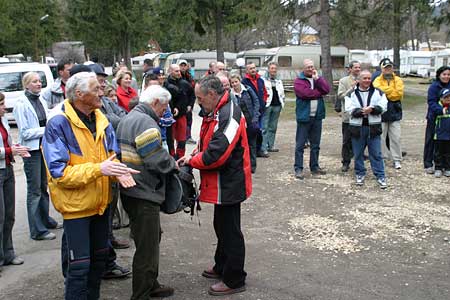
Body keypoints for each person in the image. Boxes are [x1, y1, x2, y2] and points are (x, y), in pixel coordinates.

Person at [42, 71, 138, 300]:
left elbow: (111, 156)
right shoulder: (58, 123)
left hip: (101, 206)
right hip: (77, 209)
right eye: (95, 89)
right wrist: (100, 170)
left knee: (98, 264)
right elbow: (59, 173)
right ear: (79, 94)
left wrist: (119, 171)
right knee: (79, 268)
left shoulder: (101, 119)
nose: (101, 92)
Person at [177, 76, 251, 296]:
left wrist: (192, 160)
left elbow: (215, 155)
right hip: (223, 182)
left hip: (229, 183)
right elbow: (206, 141)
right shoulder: (215, 112)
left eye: (200, 98)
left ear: (212, 94)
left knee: (230, 231)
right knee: (221, 226)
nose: (198, 102)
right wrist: (193, 154)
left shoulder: (229, 115)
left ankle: (235, 278)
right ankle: (222, 266)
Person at [116, 85, 177, 299]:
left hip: (132, 189)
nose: (165, 112)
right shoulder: (146, 121)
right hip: (144, 191)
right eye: (164, 107)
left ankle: (151, 283)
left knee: (151, 238)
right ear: (155, 102)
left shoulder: (130, 117)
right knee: (147, 247)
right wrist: (174, 164)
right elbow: (155, 157)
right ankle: (141, 293)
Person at [13, 72, 59, 240]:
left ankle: (45, 220)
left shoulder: (41, 100)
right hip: (30, 150)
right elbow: (25, 132)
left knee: (43, 186)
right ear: (26, 85)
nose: (39, 84)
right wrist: (46, 129)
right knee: (34, 191)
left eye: (40, 81)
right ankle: (37, 229)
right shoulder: (21, 104)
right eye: (35, 81)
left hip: (42, 147)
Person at [0, 92, 30, 272]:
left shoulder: (3, 121)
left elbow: (7, 144)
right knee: (0, 216)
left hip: (8, 169)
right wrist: (11, 150)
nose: (4, 107)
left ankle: (8, 253)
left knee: (9, 215)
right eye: (2, 104)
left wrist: (15, 148)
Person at [345, 70, 388, 189]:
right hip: (357, 127)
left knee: (376, 153)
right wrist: (362, 111)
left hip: (373, 127)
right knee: (358, 153)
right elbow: (349, 108)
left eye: (369, 78)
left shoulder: (378, 92)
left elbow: (384, 107)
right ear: (358, 80)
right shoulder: (351, 93)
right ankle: (360, 173)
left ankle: (380, 175)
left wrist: (373, 109)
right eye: (364, 78)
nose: (367, 80)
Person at [293, 59, 330, 179]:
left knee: (315, 144)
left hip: (317, 116)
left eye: (312, 67)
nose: (310, 69)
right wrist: (319, 93)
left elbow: (326, 90)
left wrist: (318, 80)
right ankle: (298, 168)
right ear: (303, 69)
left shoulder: (317, 79)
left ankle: (314, 167)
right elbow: (305, 94)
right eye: (308, 67)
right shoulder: (299, 81)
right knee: (300, 145)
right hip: (304, 117)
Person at [373, 58, 404, 170]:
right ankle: (382, 158)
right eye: (386, 67)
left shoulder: (398, 80)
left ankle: (397, 159)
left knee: (396, 137)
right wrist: (391, 90)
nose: (388, 69)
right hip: (381, 113)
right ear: (382, 68)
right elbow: (378, 90)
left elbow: (398, 94)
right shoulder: (376, 80)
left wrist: (387, 92)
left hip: (395, 112)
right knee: (380, 137)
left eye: (390, 67)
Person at [230, 73, 260, 173]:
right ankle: (242, 165)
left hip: (251, 121)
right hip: (240, 123)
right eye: (232, 82)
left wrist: (255, 118)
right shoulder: (231, 94)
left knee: (252, 144)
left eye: (236, 81)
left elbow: (256, 102)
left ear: (240, 81)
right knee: (241, 145)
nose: (234, 84)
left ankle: (253, 165)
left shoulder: (247, 90)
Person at [424, 66, 450, 174]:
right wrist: (441, 110)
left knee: (446, 142)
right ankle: (428, 163)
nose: (446, 77)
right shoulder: (434, 86)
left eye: (448, 74)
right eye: (444, 74)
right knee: (431, 140)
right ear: (439, 75)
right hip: (434, 118)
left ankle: (445, 165)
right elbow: (431, 102)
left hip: (448, 119)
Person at [336, 60, 361, 172]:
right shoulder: (344, 81)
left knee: (360, 138)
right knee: (347, 140)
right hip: (348, 116)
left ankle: (358, 159)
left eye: (359, 67)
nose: (358, 69)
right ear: (350, 69)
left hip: (360, 114)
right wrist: (351, 89)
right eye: (355, 67)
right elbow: (341, 96)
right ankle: (345, 162)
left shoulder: (364, 79)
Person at [242, 62, 268, 157]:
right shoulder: (244, 82)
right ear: (247, 71)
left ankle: (259, 149)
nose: (253, 70)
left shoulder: (260, 80)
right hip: (251, 112)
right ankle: (252, 151)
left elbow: (265, 92)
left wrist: (264, 101)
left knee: (261, 130)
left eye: (254, 68)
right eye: (250, 68)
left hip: (261, 110)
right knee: (254, 130)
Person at [164, 64, 189, 158]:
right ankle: (172, 156)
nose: (179, 73)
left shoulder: (184, 83)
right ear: (170, 72)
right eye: (176, 71)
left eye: (179, 71)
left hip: (182, 114)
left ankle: (180, 156)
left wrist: (190, 105)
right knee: (170, 138)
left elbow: (191, 95)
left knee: (182, 138)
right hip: (170, 116)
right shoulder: (166, 84)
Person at [262, 62, 285, 154]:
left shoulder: (279, 80)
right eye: (272, 68)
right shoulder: (263, 80)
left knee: (273, 127)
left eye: (275, 68)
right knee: (265, 127)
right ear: (268, 69)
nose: (274, 70)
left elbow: (282, 93)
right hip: (267, 106)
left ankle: (270, 145)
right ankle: (263, 147)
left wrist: (283, 101)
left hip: (277, 105)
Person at [431, 88, 450, 177]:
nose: (448, 99)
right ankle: (438, 167)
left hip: (448, 135)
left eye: (449, 97)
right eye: (446, 97)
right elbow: (432, 116)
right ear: (441, 98)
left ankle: (447, 168)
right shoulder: (437, 107)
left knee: (448, 152)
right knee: (438, 152)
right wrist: (441, 110)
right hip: (439, 135)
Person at [179, 59, 196, 145]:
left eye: (184, 65)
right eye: (181, 65)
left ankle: (188, 137)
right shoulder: (176, 77)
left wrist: (190, 104)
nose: (183, 67)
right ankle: (181, 137)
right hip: (179, 105)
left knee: (189, 120)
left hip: (188, 103)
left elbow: (192, 93)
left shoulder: (189, 77)